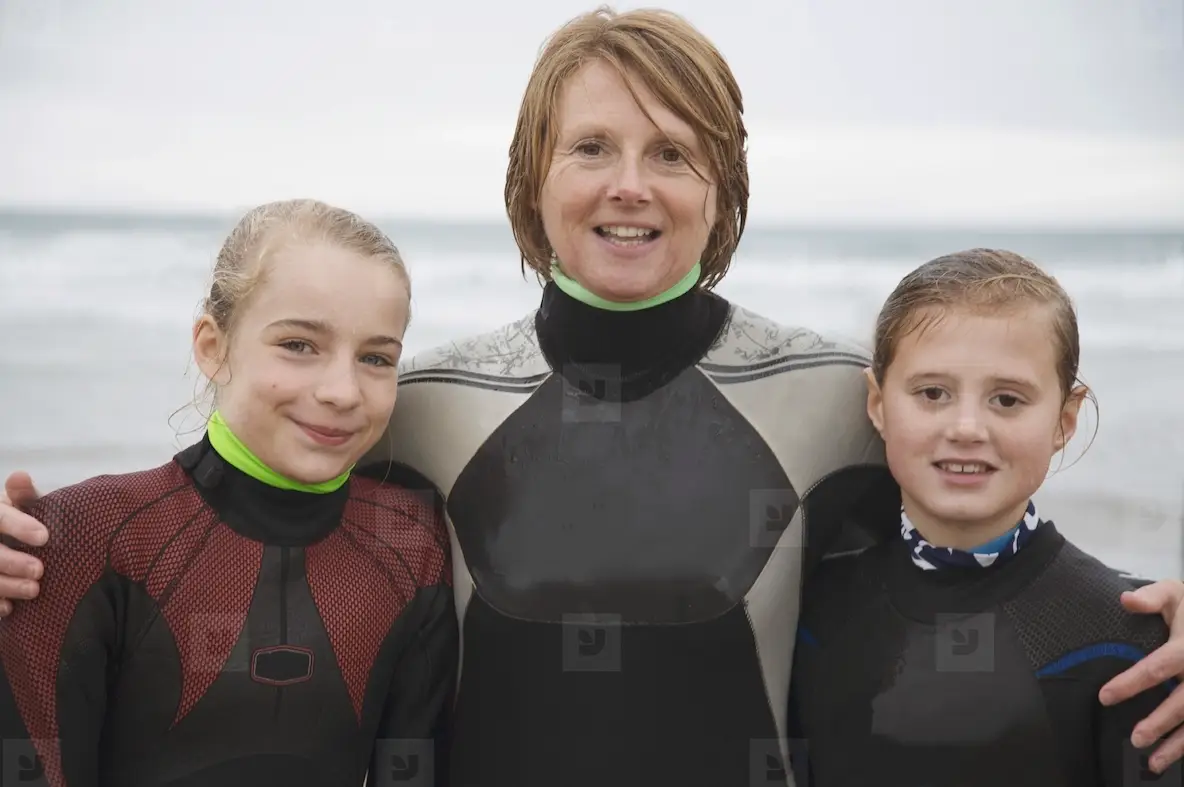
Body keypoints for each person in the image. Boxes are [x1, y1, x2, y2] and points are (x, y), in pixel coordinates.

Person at [1, 8, 1184, 785]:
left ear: (723, 193)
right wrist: (27, 548)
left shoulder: (837, 396)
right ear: (532, 180)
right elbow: (225, 509)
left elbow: (984, 538)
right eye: (592, 148)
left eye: (674, 153)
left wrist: (1151, 618)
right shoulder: (418, 399)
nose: (632, 186)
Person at [0, 198, 457, 786]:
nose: (343, 391)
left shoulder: (412, 543)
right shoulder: (83, 536)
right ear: (213, 347)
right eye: (299, 345)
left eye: (375, 357)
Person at [788, 249, 1183, 786]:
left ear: (1064, 419)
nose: (967, 427)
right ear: (879, 405)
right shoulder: (806, 605)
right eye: (933, 393)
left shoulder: (1127, 641)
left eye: (1007, 399)